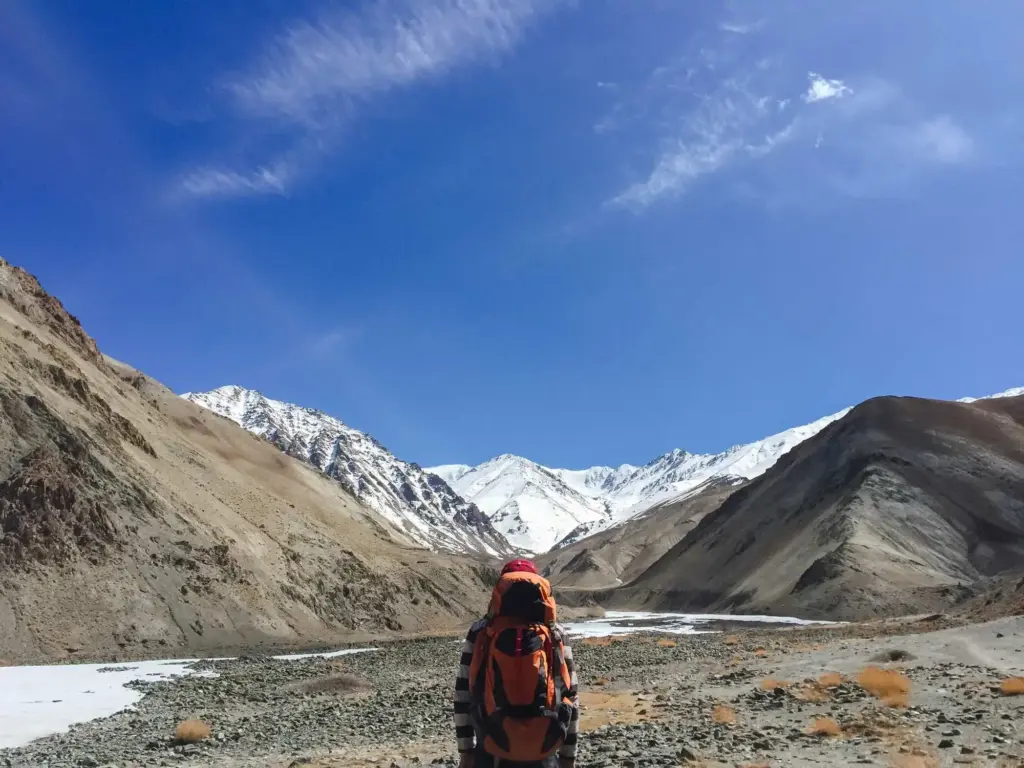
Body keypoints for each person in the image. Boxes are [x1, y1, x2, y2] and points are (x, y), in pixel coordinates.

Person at [454, 558, 579, 768]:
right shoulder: (555, 633)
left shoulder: (481, 630)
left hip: (491, 744)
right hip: (544, 746)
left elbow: (463, 693)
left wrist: (466, 751)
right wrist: (568, 756)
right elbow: (571, 694)